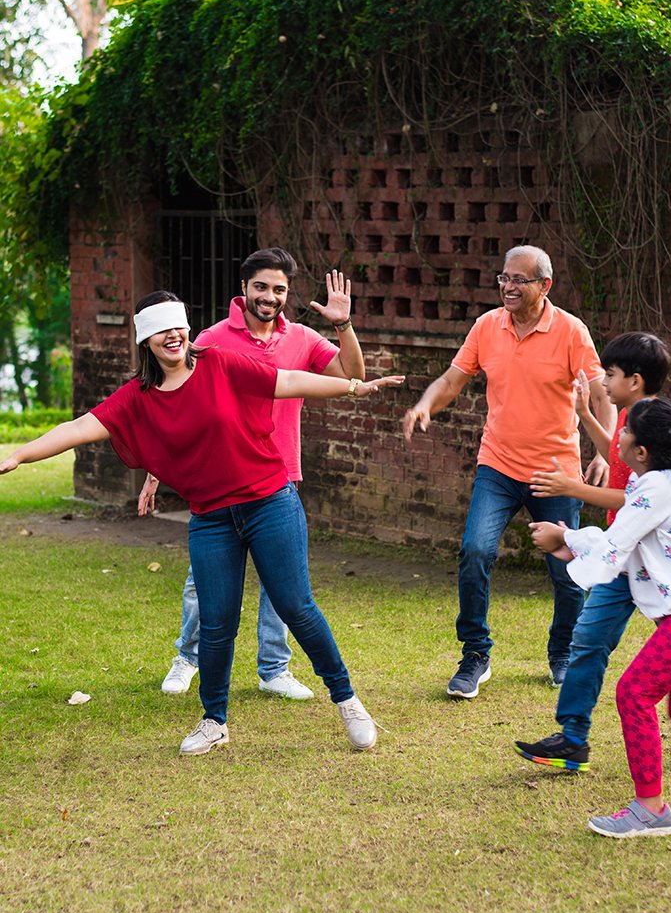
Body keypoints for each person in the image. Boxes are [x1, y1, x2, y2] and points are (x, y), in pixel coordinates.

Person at [0, 291, 405, 755]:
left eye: (177, 326)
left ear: (187, 328)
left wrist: (352, 387)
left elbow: (289, 380)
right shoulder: (137, 398)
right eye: (160, 330)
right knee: (215, 624)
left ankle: (348, 701)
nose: (172, 336)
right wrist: (19, 455)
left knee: (296, 606)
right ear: (146, 340)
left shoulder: (220, 363)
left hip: (269, 501)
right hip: (211, 518)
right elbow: (77, 428)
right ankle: (214, 720)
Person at [141, 248, 365, 701]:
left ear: (287, 293)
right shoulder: (212, 339)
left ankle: (274, 668)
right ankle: (188, 657)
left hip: (279, 476)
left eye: (279, 289)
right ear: (243, 288)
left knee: (279, 584)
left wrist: (343, 324)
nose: (269, 296)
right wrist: (154, 473)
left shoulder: (302, 338)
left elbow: (352, 376)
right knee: (203, 583)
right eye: (260, 286)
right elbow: (175, 401)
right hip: (221, 481)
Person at [403, 245, 615, 696]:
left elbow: (601, 396)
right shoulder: (487, 326)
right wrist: (425, 404)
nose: (508, 286)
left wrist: (604, 452)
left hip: (556, 472)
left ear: (545, 285)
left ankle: (563, 652)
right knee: (475, 551)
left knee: (567, 571)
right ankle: (475, 654)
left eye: (519, 279)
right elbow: (452, 380)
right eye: (504, 277)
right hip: (498, 465)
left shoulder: (571, 331)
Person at [528, 398, 671, 837]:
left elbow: (614, 545)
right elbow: (629, 544)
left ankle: (650, 809)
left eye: (626, 430)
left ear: (642, 450)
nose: (619, 435)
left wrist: (565, 537)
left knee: (634, 692)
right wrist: (571, 542)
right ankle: (651, 809)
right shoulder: (655, 482)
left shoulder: (657, 488)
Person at [514, 332, 671, 769]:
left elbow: (640, 498)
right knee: (588, 637)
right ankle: (572, 738)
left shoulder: (658, 425)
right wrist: (586, 415)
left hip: (657, 562)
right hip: (620, 556)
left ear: (635, 380)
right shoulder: (628, 417)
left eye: (610, 373)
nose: (603, 381)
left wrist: (572, 488)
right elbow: (620, 462)